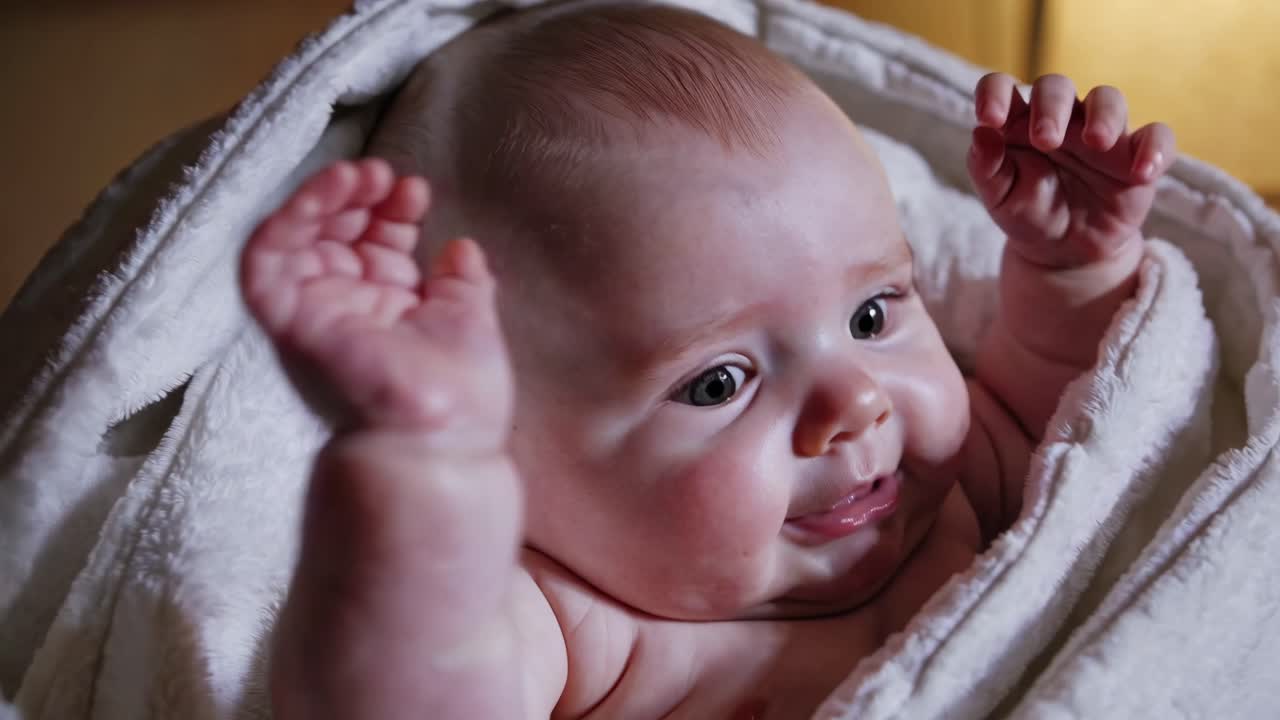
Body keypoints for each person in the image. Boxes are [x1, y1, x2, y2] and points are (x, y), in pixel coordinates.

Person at [239, 4, 1175, 718]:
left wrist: (1071, 270)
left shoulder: (955, 489)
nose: (853, 404)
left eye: (873, 311)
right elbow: (404, 689)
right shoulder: (577, 631)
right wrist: (413, 464)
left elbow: (1098, 431)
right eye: (719, 382)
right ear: (513, 456)